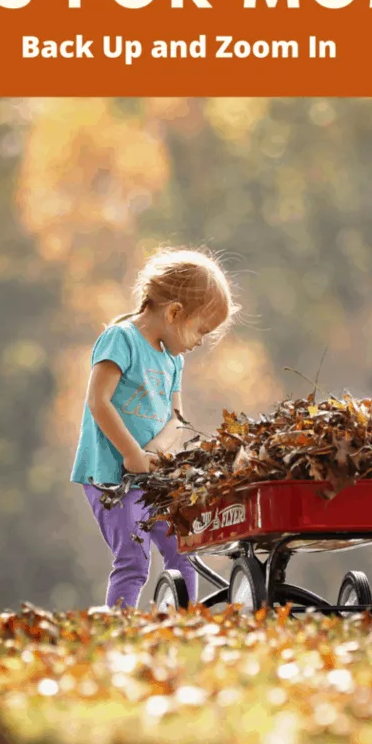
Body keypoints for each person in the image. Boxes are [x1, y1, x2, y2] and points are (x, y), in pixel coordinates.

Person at [71, 247, 239, 609]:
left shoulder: (172, 360)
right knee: (133, 560)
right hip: (110, 477)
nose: (199, 343)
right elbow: (98, 401)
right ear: (175, 312)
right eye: (200, 331)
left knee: (183, 548)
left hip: (150, 477)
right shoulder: (122, 339)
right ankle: (121, 626)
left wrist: (154, 455)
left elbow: (175, 419)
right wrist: (132, 454)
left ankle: (185, 621)